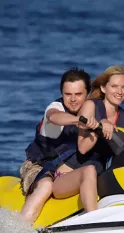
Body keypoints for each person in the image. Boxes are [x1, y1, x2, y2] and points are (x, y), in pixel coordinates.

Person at [51, 65, 124, 212]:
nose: (120, 92)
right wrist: (98, 129)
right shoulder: (90, 106)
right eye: (114, 86)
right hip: (66, 176)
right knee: (89, 170)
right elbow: (82, 148)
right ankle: (93, 218)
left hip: (96, 178)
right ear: (103, 88)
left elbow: (120, 159)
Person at [20, 67, 91, 223]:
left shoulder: (92, 110)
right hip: (38, 167)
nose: (73, 99)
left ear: (88, 94)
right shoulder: (56, 108)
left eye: (78, 94)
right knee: (46, 185)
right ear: (62, 94)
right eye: (68, 94)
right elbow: (54, 117)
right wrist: (79, 121)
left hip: (69, 169)